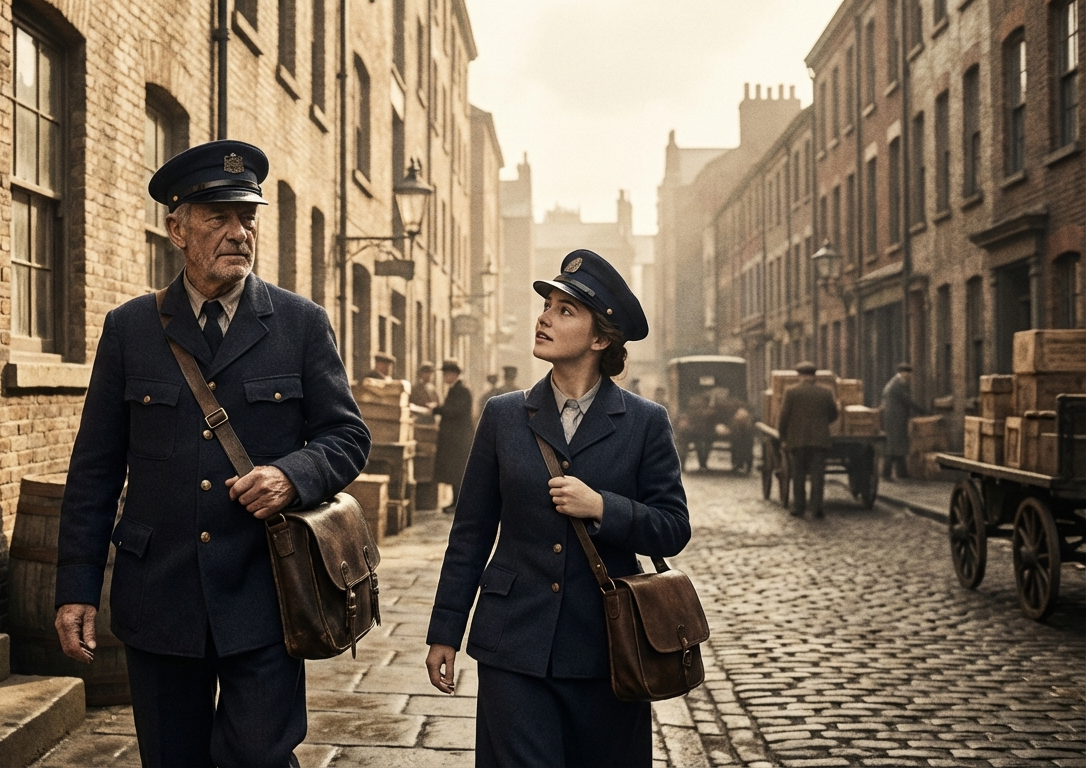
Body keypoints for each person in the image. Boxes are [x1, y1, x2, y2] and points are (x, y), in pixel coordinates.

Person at [53, 140, 371, 768]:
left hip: (265, 594)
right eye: (217, 217)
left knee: (260, 757)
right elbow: (94, 470)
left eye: (246, 217)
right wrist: (76, 588)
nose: (238, 233)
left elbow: (347, 437)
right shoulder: (130, 328)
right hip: (159, 594)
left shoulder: (300, 324)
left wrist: (291, 475)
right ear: (176, 228)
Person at [424, 248, 690, 767]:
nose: (544, 316)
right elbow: (471, 533)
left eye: (565, 310)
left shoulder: (644, 422)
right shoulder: (503, 416)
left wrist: (603, 507)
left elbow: (673, 527)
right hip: (512, 645)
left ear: (600, 338)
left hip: (607, 652)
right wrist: (445, 632)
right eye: (547, 304)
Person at [778, 361, 840, 517]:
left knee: (798, 474)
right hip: (819, 440)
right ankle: (816, 508)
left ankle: (799, 507)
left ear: (800, 376)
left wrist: (783, 437)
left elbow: (784, 416)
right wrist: (822, 424)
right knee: (817, 475)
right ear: (814, 376)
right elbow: (833, 414)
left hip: (797, 440)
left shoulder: (791, 392)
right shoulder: (825, 392)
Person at [433, 359, 474, 513]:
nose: (444, 377)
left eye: (445, 374)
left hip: (459, 439)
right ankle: (455, 501)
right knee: (454, 471)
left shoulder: (461, 390)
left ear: (453, 374)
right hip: (455, 438)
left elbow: (455, 411)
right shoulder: (456, 389)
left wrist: (437, 409)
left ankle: (458, 503)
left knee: (458, 471)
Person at [880, 362, 926, 480]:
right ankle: (886, 473)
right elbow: (907, 401)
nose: (910, 376)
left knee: (899, 445)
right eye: (909, 374)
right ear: (904, 373)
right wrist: (922, 411)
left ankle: (902, 473)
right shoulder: (899, 384)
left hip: (894, 419)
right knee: (894, 446)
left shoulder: (893, 382)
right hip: (896, 419)